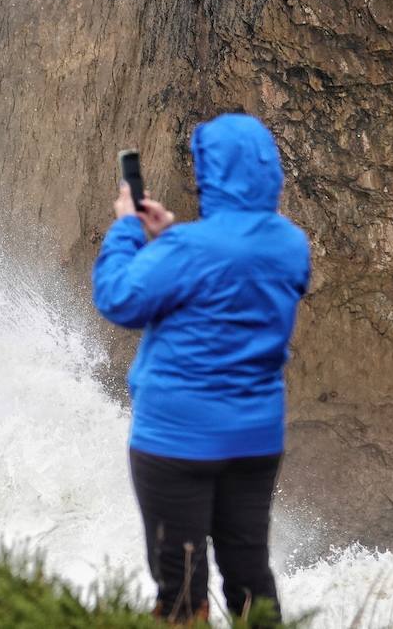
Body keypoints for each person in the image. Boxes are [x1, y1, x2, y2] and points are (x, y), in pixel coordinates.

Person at [91, 113, 310, 624]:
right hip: (254, 442)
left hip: (176, 443)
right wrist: (171, 237)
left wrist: (128, 227)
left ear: (211, 175)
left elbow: (119, 298)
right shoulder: (291, 245)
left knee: (181, 584)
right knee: (250, 575)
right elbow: (233, 265)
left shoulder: (189, 250)